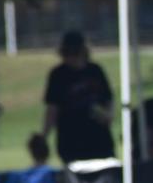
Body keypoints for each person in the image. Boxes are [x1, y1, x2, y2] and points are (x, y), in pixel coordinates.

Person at [42, 31, 115, 165]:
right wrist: (44, 135)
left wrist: (108, 115)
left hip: (99, 140)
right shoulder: (58, 75)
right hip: (71, 141)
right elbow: (52, 109)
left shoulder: (95, 70)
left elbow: (108, 98)